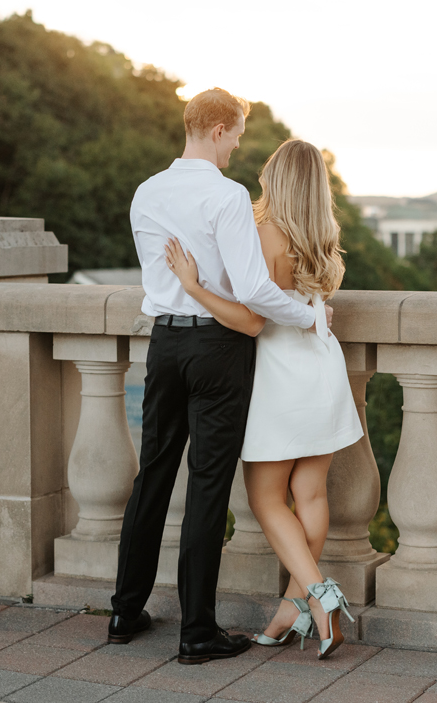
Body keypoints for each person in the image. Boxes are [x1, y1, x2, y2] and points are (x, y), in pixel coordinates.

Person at [111, 88, 325, 666]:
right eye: (235, 135)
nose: (236, 146)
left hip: (165, 343)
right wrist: (308, 318)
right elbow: (255, 291)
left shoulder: (146, 192)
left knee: (153, 475)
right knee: (206, 485)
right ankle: (196, 633)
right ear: (217, 128)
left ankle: (124, 612)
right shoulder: (227, 196)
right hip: (217, 346)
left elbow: (158, 276)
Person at [164, 138, 363, 660]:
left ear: (276, 181)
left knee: (266, 498)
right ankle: (288, 613)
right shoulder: (323, 237)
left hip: (279, 377)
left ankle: (320, 600)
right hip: (322, 367)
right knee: (311, 495)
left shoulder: (260, 233)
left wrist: (194, 286)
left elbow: (249, 318)